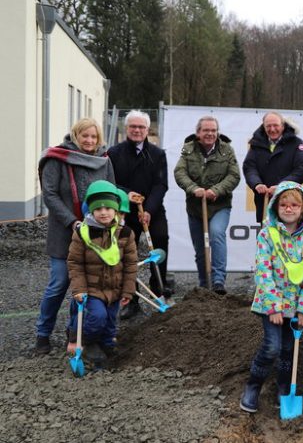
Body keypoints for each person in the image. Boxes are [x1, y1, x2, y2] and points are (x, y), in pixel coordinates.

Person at [239, 181, 303, 413]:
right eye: (283, 204)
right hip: (271, 304)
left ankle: (284, 387)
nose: (288, 209)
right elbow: (263, 271)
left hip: (296, 305)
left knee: (288, 349)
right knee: (272, 347)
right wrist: (274, 306)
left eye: (294, 205)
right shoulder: (267, 234)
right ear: (276, 207)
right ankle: (253, 385)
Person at [35, 118, 115, 355]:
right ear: (75, 136)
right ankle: (42, 334)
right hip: (64, 233)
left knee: (86, 287)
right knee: (59, 283)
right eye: (84, 136)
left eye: (93, 136)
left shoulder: (104, 160)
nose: (89, 141)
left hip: (95, 236)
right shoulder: (57, 158)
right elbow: (49, 194)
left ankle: (74, 333)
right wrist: (72, 221)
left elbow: (110, 192)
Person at [66, 180, 137, 366]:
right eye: (98, 209)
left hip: (115, 288)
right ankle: (87, 342)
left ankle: (106, 345)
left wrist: (128, 290)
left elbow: (130, 264)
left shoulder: (125, 233)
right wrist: (79, 289)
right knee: (97, 317)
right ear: (91, 210)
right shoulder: (82, 233)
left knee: (111, 321)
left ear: (116, 210)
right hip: (92, 289)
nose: (103, 212)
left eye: (108, 208)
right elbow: (75, 263)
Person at [108, 110, 170, 319]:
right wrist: (126, 194)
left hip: (151, 209)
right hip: (125, 211)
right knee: (127, 251)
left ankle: (159, 289)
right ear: (126, 128)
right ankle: (131, 297)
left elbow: (161, 184)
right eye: (133, 126)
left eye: (141, 127)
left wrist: (149, 210)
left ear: (147, 129)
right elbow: (110, 182)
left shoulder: (158, 154)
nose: (137, 130)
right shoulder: (114, 153)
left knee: (160, 239)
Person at [174, 116, 241, 294]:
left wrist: (216, 190)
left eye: (213, 130)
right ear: (198, 132)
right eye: (206, 130)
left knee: (216, 234)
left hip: (219, 205)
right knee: (200, 247)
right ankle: (204, 283)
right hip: (195, 208)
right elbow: (180, 172)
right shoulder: (188, 149)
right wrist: (193, 188)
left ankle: (218, 281)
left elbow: (234, 175)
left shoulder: (226, 150)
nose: (210, 134)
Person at [242, 112, 303, 224]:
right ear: (264, 127)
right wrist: (257, 184)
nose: (272, 129)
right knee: (265, 234)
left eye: (275, 125)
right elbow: (249, 167)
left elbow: (301, 168)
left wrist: (282, 186)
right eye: (268, 126)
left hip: (289, 201)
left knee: (289, 234)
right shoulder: (256, 143)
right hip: (264, 200)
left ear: (282, 126)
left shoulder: (296, 143)